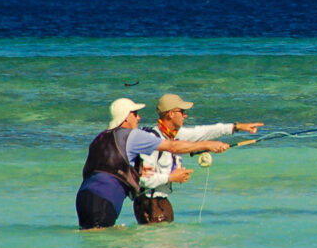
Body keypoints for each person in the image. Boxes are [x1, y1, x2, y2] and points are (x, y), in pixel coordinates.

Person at [76, 98, 232, 230]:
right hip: (105, 199)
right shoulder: (134, 135)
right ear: (125, 117)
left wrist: (135, 172)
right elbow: (173, 146)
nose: (139, 118)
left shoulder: (100, 137)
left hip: (84, 197)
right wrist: (208, 145)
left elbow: (106, 167)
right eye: (135, 114)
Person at [134, 93, 263, 224]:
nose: (185, 115)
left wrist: (236, 127)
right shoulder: (150, 140)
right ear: (171, 114)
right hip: (149, 204)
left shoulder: (174, 135)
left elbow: (203, 132)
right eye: (182, 111)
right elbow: (143, 179)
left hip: (161, 202)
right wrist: (171, 178)